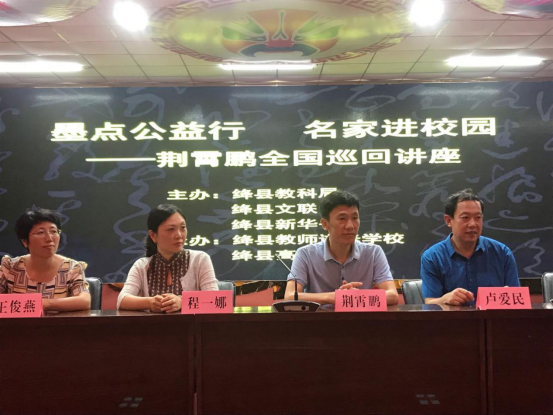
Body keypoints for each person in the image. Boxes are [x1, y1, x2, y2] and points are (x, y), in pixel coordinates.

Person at [284, 190, 398, 305]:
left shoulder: (373, 252)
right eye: (342, 219)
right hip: (321, 316)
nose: (350, 226)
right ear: (325, 224)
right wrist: (333, 297)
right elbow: (289, 296)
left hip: (360, 316)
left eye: (355, 218)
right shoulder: (305, 254)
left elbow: (393, 296)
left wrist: (357, 297)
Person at [421, 188, 520, 306]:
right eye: (465, 217)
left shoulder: (502, 253)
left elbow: (517, 299)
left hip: (493, 317)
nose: (473, 224)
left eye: (478, 217)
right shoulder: (432, 257)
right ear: (448, 220)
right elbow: (429, 303)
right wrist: (444, 300)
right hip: (452, 318)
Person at [118, 204, 218, 313]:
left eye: (183, 227)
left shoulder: (200, 259)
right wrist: (150, 302)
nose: (179, 235)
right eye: (171, 229)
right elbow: (122, 300)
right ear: (153, 235)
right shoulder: (142, 266)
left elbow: (215, 300)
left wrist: (182, 301)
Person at [0, 208, 91, 311]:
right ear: (25, 241)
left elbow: (84, 301)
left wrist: (43, 303)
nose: (49, 238)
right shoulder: (10, 267)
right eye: (40, 232)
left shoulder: (71, 268)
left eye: (54, 231)